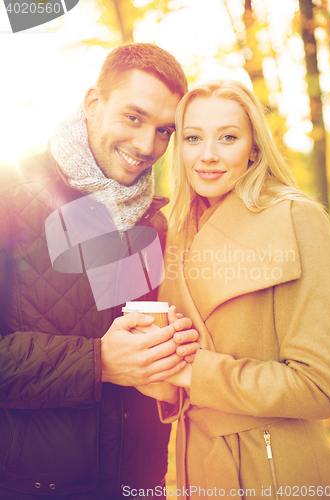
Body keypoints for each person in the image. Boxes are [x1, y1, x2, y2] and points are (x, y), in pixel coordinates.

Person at [0, 43, 200, 500]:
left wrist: (169, 371)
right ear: (93, 104)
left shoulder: (154, 221)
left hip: (139, 485)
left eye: (165, 130)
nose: (148, 146)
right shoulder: (9, 192)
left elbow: (148, 367)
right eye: (134, 117)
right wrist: (99, 362)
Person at [157, 80, 330, 499]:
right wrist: (160, 376)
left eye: (229, 138)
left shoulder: (297, 219)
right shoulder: (177, 229)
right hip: (192, 464)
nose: (208, 155)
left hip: (271, 467)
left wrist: (190, 372)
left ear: (254, 146)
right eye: (194, 138)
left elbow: (321, 386)